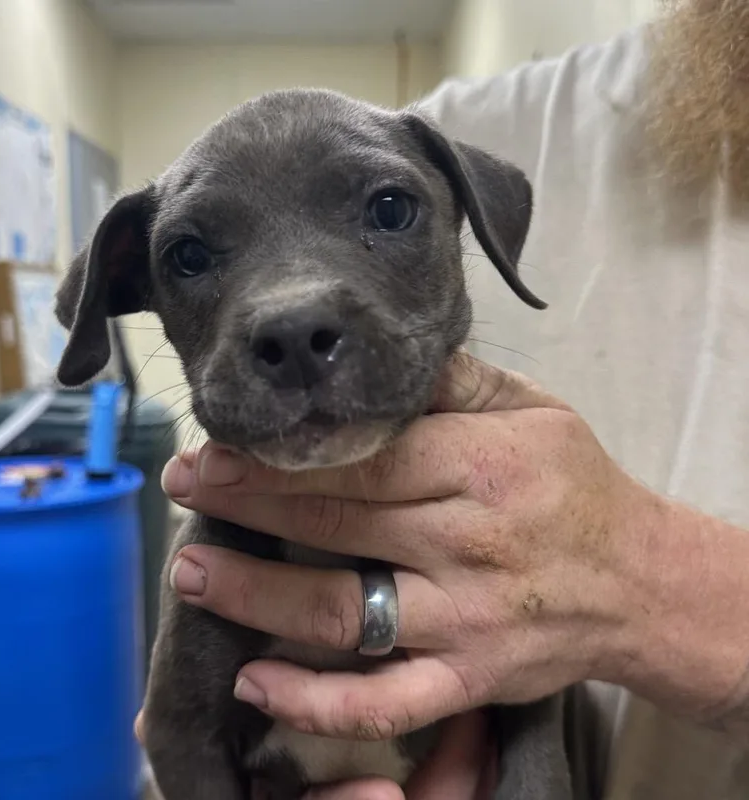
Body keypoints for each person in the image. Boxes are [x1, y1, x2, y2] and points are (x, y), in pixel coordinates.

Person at [140, 2, 749, 797]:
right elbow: (177, 734)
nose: (292, 313)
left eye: (389, 213)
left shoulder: (433, 150)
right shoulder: (452, 120)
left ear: (476, 223)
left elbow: (535, 675)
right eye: (191, 256)